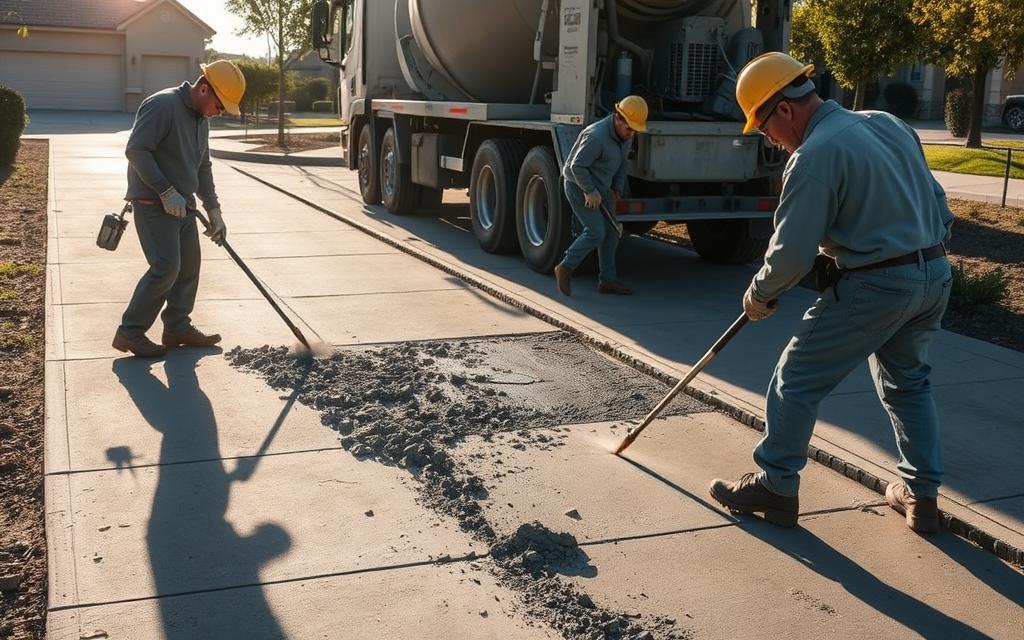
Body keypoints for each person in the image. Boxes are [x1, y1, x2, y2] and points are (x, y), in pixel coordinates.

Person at [708, 52, 954, 533]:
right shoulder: (886, 123)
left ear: (784, 109)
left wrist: (760, 294)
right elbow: (938, 204)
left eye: (764, 127)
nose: (770, 141)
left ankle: (777, 486)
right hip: (934, 273)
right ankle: (922, 497)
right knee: (908, 385)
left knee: (794, 379)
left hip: (878, 284)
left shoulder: (813, 155)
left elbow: (791, 253)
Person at [112, 60, 246, 358]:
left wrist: (214, 211)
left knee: (188, 267)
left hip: (183, 204)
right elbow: (136, 150)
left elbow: (203, 167)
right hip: (153, 203)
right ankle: (129, 332)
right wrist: (165, 190)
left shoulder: (201, 118)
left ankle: (176, 328)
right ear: (202, 89)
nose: (220, 113)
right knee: (166, 268)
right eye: (220, 106)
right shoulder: (162, 105)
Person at [553, 95, 647, 297]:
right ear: (618, 118)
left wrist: (616, 188)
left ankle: (608, 280)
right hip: (579, 185)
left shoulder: (625, 137)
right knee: (596, 232)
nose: (632, 134)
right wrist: (590, 191)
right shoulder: (596, 136)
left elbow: (622, 164)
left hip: (603, 187)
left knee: (613, 232)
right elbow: (576, 167)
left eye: (635, 130)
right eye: (629, 128)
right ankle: (565, 268)